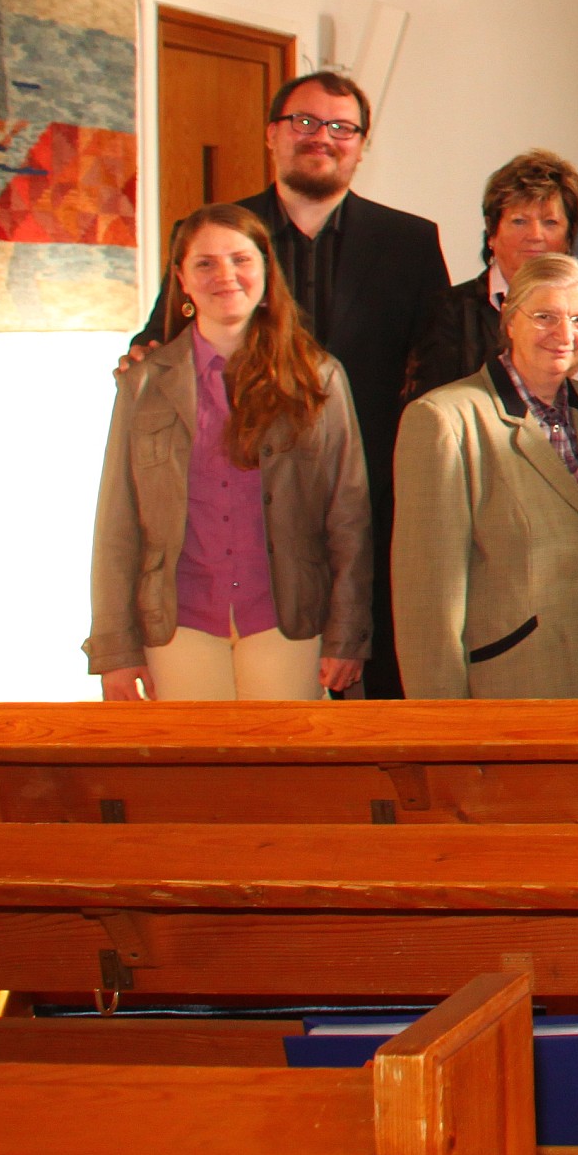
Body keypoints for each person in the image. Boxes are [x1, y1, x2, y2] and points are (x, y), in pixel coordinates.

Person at [129, 69, 447, 696]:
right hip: (243, 506)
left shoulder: (409, 241)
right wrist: (138, 358)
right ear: (271, 134)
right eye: (304, 122)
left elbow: (439, 369)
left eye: (341, 127)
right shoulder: (218, 233)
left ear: (361, 144)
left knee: (373, 687)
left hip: (372, 497)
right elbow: (164, 338)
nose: (321, 136)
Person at [91, 205, 370, 700]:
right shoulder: (144, 385)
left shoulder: (319, 378)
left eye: (240, 259)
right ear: (182, 280)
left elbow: (348, 518)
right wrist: (115, 649)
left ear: (265, 269)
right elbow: (117, 524)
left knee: (285, 753)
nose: (225, 275)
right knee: (197, 755)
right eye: (205, 263)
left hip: (287, 623)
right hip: (179, 626)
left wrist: (348, 633)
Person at [393, 254, 578, 699]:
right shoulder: (444, 422)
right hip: (513, 692)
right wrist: (439, 724)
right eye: (545, 316)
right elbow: (427, 600)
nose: (564, 334)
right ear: (510, 320)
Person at [402, 151, 578, 404]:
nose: (535, 235)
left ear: (570, 236)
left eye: (550, 222)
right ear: (492, 232)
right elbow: (429, 408)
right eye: (520, 221)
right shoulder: (448, 312)